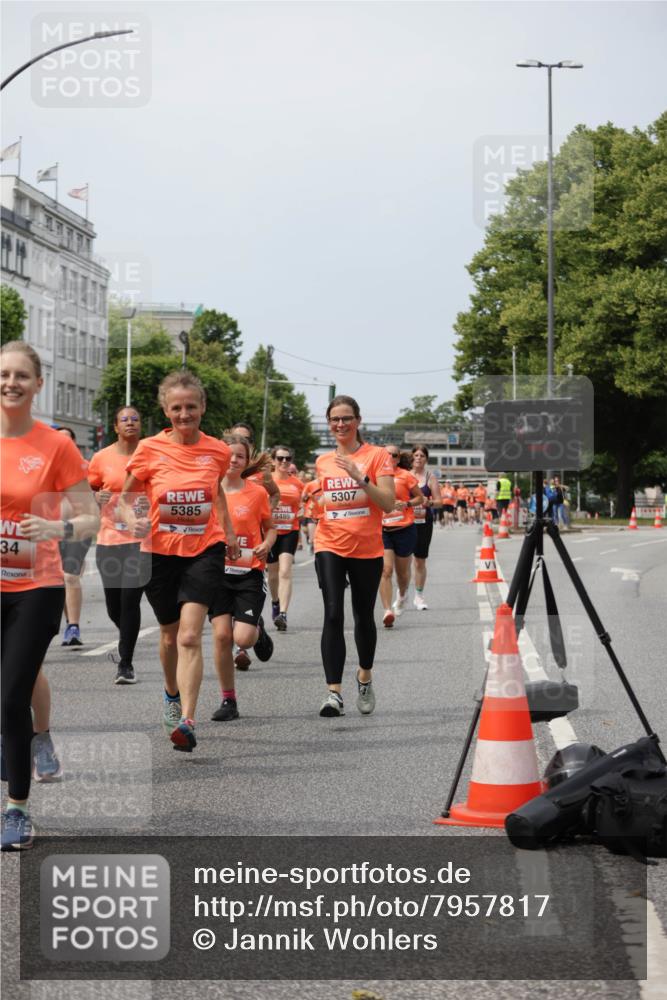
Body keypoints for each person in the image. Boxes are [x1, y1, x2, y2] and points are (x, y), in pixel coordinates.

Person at [1, 342, 99, 850]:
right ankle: (20, 742)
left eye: (21, 375)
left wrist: (57, 525)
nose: (10, 382)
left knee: (12, 694)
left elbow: (92, 516)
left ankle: (17, 809)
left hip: (36, 586)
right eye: (3, 374)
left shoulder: (55, 446)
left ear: (38, 384)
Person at [119, 370, 239, 753]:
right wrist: (130, 518)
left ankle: (188, 720)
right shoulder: (150, 449)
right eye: (176, 408)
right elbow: (123, 497)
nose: (184, 414)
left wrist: (229, 531)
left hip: (204, 549)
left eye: (191, 407)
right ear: (165, 410)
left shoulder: (218, 451)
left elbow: (215, 492)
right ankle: (171, 693)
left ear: (202, 407)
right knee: (169, 635)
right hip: (158, 553)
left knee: (189, 635)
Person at [313, 395, 395, 717]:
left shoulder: (377, 456)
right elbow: (327, 502)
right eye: (335, 419)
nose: (340, 424)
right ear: (329, 423)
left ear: (358, 421)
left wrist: (360, 478)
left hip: (367, 547)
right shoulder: (322, 462)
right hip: (329, 543)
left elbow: (387, 503)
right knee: (333, 613)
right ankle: (333, 693)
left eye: (347, 418)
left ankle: (364, 675)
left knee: (363, 616)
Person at [209, 435, 276, 720]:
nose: (233, 460)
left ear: (247, 461)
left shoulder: (257, 492)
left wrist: (267, 544)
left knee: (243, 638)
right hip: (216, 573)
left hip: (249, 572)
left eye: (239, 456)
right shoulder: (208, 490)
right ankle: (228, 700)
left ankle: (258, 633)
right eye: (229, 455)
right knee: (222, 637)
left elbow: (270, 527)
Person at [87, 405, 146, 684]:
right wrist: (95, 500)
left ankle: (126, 663)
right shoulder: (101, 458)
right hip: (109, 537)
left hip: (140, 539)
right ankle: (128, 636)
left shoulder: (151, 454)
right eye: (125, 419)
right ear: (115, 427)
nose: (130, 423)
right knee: (114, 606)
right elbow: (89, 491)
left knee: (129, 599)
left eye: (135, 419)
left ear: (141, 425)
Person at [56, 426, 92, 646]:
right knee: (58, 579)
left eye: (67, 440)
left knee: (69, 576)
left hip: (78, 529)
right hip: (51, 529)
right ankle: (69, 620)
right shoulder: (43, 466)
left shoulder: (85, 467)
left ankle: (73, 627)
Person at [380, 447, 422, 627]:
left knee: (402, 574)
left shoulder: (406, 476)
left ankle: (403, 594)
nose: (390, 458)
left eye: (394, 455)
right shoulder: (376, 475)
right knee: (386, 570)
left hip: (404, 528)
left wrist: (406, 503)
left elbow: (420, 498)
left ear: (398, 459)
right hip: (383, 530)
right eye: (386, 455)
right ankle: (387, 610)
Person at [267, 445, 302, 631]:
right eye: (280, 458)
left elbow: (304, 503)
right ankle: (275, 602)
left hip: (290, 530)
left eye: (287, 459)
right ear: (273, 461)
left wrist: (304, 510)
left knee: (285, 571)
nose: (284, 462)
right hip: (270, 532)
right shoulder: (265, 481)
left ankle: (283, 613)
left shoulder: (297, 483)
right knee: (273, 575)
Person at [410, 445, 442, 611]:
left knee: (419, 561)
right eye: (416, 455)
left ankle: (419, 595)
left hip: (423, 523)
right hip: (405, 523)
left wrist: (428, 502)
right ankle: (401, 594)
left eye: (422, 455)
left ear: (426, 459)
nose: (418, 458)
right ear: (411, 458)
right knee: (401, 560)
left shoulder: (431, 478)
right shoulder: (404, 476)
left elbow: (439, 502)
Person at [230, 422, 279, 510]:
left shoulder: (261, 469)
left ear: (251, 443)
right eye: (236, 438)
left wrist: (267, 513)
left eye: (246, 439)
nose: (241, 442)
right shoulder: (221, 465)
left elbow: (275, 493)